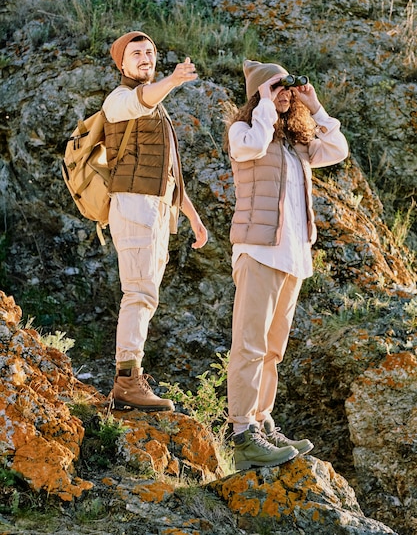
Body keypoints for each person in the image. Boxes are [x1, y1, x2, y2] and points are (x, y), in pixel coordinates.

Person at [225, 59, 349, 470]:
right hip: (258, 253)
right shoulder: (244, 131)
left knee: (272, 351)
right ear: (259, 94)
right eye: (274, 87)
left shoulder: (298, 146)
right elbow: (253, 145)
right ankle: (242, 434)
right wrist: (263, 100)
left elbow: (337, 149)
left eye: (287, 88)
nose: (283, 93)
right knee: (249, 345)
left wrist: (314, 106)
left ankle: (262, 421)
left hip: (292, 258)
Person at [103, 31, 208, 412]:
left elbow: (171, 174)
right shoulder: (118, 100)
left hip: (157, 210)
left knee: (146, 294)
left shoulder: (157, 108)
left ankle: (131, 377)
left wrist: (193, 219)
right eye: (137, 54)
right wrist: (174, 80)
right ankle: (127, 381)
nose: (145, 57)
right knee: (139, 293)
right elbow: (141, 98)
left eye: (150, 52)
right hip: (134, 206)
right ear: (122, 64)